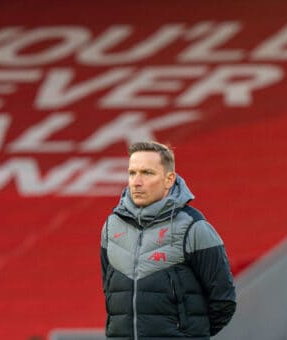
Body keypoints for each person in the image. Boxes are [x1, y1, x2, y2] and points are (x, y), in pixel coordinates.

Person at [100, 141, 236, 339]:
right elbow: (110, 290)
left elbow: (223, 301)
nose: (136, 182)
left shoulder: (195, 228)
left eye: (147, 173)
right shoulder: (111, 227)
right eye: (132, 173)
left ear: (169, 179)